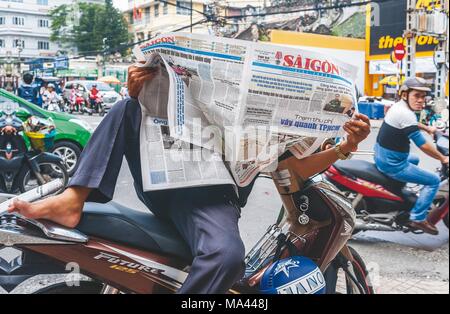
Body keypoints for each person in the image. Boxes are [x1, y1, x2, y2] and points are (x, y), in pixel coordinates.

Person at [8, 65, 371, 294]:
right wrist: (138, 89)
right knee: (128, 106)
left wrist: (346, 145)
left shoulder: (269, 119)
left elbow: (290, 172)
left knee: (227, 258)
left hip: (213, 191)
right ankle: (74, 197)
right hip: (179, 186)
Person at [374, 77, 449, 235]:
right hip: (392, 163)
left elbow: (410, 124)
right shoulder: (405, 113)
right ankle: (417, 218)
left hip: (381, 155)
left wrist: (427, 128)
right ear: (404, 95)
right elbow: (423, 145)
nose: (421, 100)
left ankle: (401, 193)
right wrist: (443, 158)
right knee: (434, 180)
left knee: (414, 159)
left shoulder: (399, 108)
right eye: (417, 96)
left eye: (423, 97)